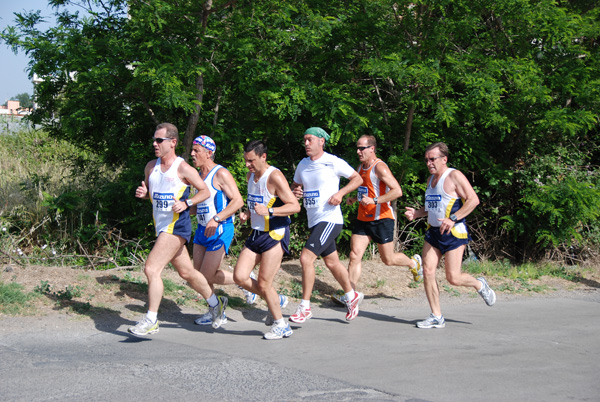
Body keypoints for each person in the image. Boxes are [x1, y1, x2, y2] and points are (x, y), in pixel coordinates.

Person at [128, 123, 227, 336]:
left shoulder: (183, 168)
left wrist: (187, 203)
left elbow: (205, 191)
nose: (155, 144)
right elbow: (151, 193)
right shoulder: (150, 167)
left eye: (159, 140)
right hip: (162, 225)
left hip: (176, 227)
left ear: (172, 142)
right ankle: (216, 303)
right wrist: (144, 193)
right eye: (154, 140)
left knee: (151, 269)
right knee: (187, 272)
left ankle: (151, 319)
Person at [405, 142, 496, 329]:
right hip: (433, 233)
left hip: (453, 233)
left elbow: (473, 200)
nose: (429, 163)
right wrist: (417, 213)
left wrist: (453, 218)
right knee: (428, 271)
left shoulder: (454, 176)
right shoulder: (431, 180)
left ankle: (479, 284)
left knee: (453, 278)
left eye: (433, 159)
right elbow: (432, 208)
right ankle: (436, 316)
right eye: (426, 160)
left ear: (444, 159)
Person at [332, 135, 422, 305]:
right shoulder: (360, 167)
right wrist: (353, 198)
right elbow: (364, 190)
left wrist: (375, 201)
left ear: (372, 149)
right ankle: (350, 295)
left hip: (382, 218)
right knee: (354, 255)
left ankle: (413, 263)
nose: (358, 151)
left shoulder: (380, 167)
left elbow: (397, 191)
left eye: (362, 148)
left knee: (388, 259)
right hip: (363, 218)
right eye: (357, 148)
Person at [290, 127, 364, 323]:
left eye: (310, 140)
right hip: (314, 220)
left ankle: (304, 307)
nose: (306, 143)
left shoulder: (333, 162)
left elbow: (357, 179)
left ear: (322, 141)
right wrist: (296, 192)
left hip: (330, 219)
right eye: (304, 140)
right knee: (332, 262)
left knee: (306, 258)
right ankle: (351, 295)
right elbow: (296, 186)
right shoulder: (303, 164)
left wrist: (341, 194)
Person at [233, 140, 301, 340]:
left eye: (251, 161)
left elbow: (295, 206)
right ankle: (276, 299)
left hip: (275, 232)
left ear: (263, 157)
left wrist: (270, 210)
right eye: (246, 161)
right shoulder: (249, 176)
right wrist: (247, 212)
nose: (248, 165)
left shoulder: (275, 176)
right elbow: (256, 203)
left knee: (263, 283)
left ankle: (282, 325)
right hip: (256, 232)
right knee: (240, 276)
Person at [188, 135, 257, 327]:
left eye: (197, 151)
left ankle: (244, 281)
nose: (192, 154)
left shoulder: (220, 173)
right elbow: (197, 205)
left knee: (208, 275)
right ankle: (215, 311)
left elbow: (238, 201)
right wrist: (182, 207)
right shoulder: (196, 175)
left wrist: (217, 218)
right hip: (202, 228)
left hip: (220, 228)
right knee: (198, 276)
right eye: (192, 150)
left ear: (209, 153)